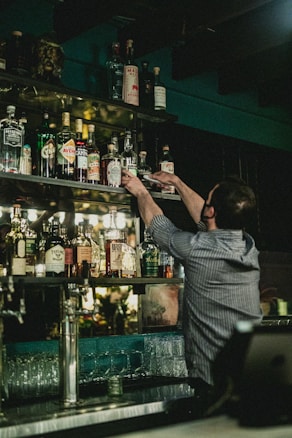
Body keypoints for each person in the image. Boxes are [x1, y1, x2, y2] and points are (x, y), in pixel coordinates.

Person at [121, 169, 263, 414]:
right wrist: (177, 182)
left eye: (208, 202)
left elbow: (159, 226)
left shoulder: (198, 248)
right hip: (251, 372)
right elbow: (206, 218)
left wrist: (141, 192)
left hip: (215, 381)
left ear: (211, 211)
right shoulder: (247, 245)